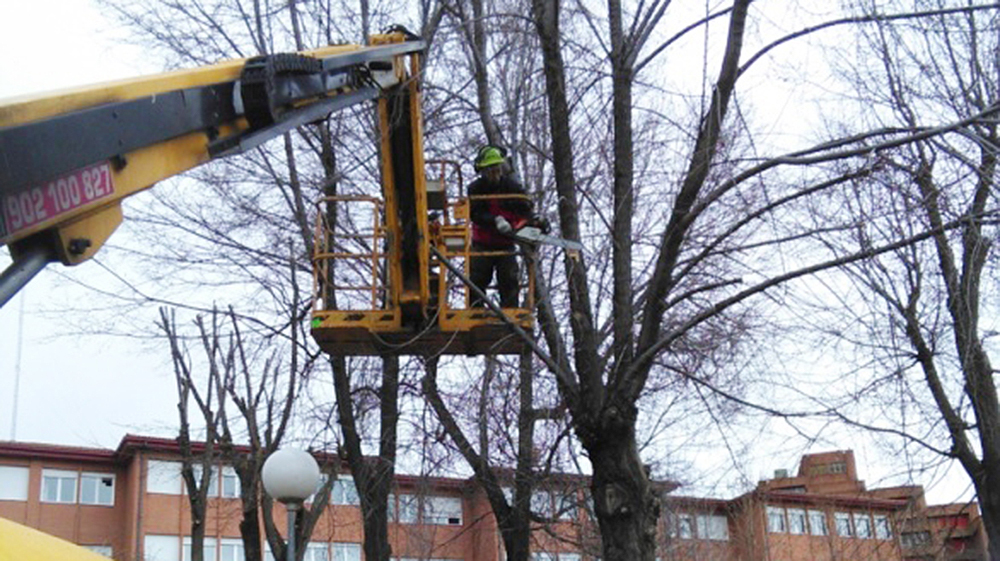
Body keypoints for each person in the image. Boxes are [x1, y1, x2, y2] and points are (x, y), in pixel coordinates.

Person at [467, 145, 541, 308]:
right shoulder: (475, 189)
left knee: (509, 279)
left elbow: (525, 209)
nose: (495, 172)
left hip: (506, 244)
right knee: (477, 280)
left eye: (497, 168)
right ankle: (476, 311)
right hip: (482, 244)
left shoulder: (512, 187)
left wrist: (531, 224)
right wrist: (495, 220)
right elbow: (475, 214)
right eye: (491, 169)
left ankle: (510, 313)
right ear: (483, 170)